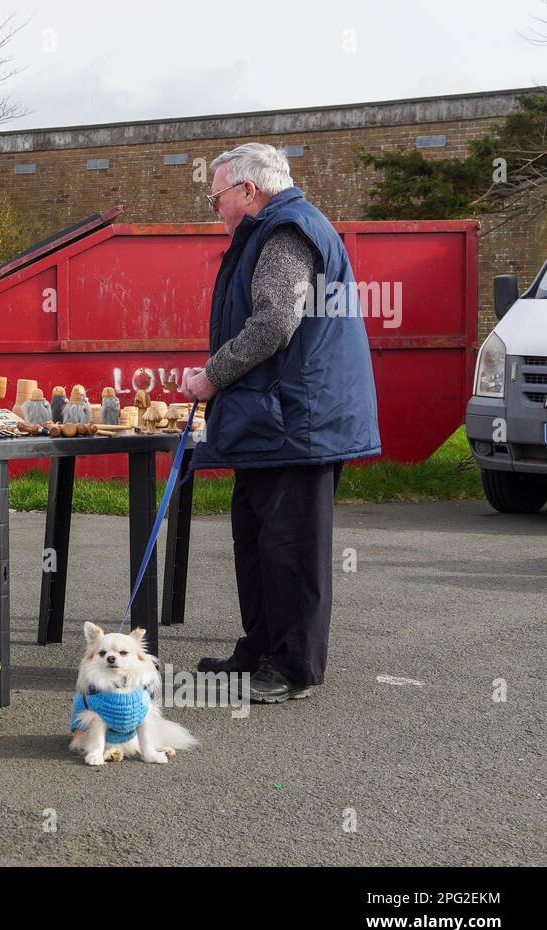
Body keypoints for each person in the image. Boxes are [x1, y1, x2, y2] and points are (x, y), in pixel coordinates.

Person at [182, 143, 381, 704]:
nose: (214, 208)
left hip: (299, 421)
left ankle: (293, 667)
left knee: (290, 547)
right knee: (257, 538)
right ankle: (260, 648)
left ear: (249, 190)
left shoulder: (286, 232)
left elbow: (274, 323)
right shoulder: (277, 228)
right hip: (278, 417)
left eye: (216, 196)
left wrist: (211, 376)